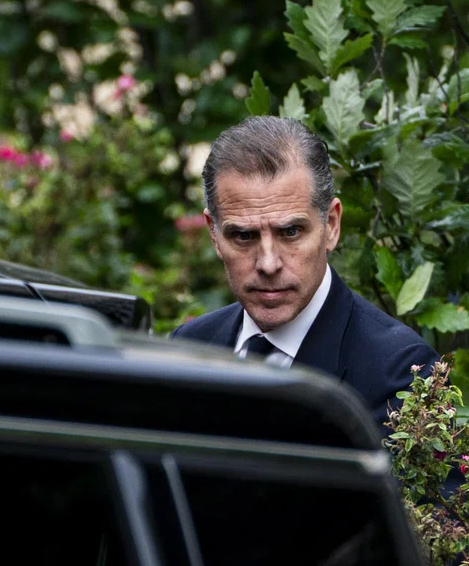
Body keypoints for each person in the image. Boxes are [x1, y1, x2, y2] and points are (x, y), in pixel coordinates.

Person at [171, 116, 438, 431]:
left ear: (331, 226)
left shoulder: (401, 372)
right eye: (244, 236)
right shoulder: (188, 348)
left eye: (290, 232)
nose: (268, 263)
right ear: (214, 234)